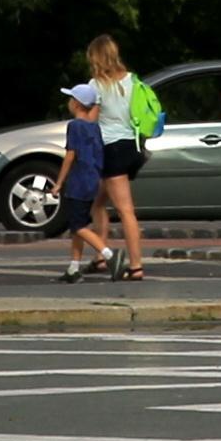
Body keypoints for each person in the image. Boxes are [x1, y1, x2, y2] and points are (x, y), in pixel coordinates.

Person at [64, 35, 152, 283]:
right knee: (98, 203)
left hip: (111, 150)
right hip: (131, 146)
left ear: (95, 57)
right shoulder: (132, 80)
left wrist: (77, 112)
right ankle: (100, 258)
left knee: (126, 210)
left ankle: (135, 266)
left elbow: (91, 120)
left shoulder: (97, 84)